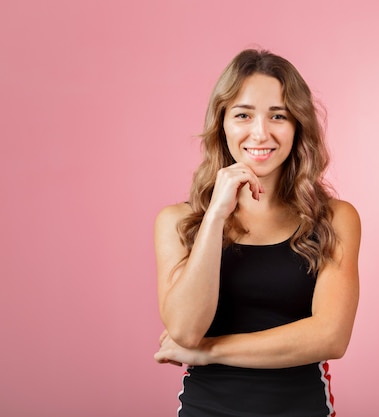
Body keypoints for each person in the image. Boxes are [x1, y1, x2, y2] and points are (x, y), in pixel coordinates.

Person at [153, 49, 361, 417]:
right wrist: (216, 215)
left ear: (298, 126)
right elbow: (184, 331)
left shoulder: (334, 219)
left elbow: (330, 336)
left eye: (277, 116)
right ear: (222, 124)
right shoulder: (177, 221)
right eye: (243, 115)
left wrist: (209, 351)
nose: (260, 132)